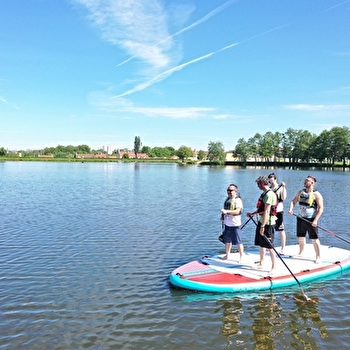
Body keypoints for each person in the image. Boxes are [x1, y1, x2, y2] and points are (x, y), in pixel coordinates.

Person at [288, 175, 324, 263]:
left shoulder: (317, 194)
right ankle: (301, 252)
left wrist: (315, 220)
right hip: (300, 218)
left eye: (307, 181)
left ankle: (318, 256)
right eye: (305, 180)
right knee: (301, 237)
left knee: (314, 239)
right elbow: (293, 201)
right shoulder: (300, 192)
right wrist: (291, 209)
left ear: (312, 183)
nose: (305, 182)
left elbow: (321, 208)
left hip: (311, 220)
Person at [247, 176, 277, 274]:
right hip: (262, 221)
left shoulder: (269, 194)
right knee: (261, 244)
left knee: (269, 246)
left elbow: (267, 211)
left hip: (268, 223)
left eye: (258, 184)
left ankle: (274, 267)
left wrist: (263, 226)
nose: (257, 186)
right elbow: (261, 209)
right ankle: (261, 263)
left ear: (262, 184)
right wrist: (252, 213)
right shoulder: (264, 194)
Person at [220, 183, 244, 261]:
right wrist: (222, 216)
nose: (229, 192)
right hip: (227, 223)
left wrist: (226, 211)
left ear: (235, 191)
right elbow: (225, 209)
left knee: (238, 241)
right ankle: (227, 255)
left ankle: (241, 257)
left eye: (231, 190)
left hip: (235, 224)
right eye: (228, 190)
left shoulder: (238, 200)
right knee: (227, 241)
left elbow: (237, 211)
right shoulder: (228, 199)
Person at [268, 173, 287, 254]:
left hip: (278, 210)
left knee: (280, 229)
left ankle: (283, 248)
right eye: (269, 181)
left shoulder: (280, 187)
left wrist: (283, 187)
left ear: (275, 179)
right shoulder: (268, 189)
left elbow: (283, 198)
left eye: (272, 180)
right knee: (269, 229)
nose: (271, 182)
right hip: (270, 211)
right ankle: (269, 245)